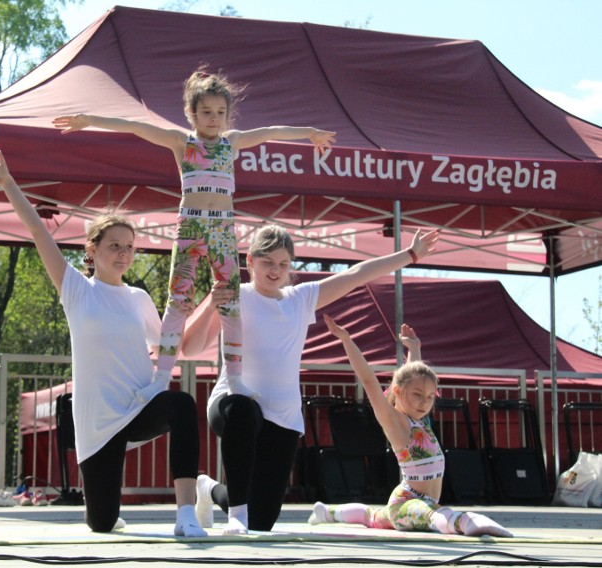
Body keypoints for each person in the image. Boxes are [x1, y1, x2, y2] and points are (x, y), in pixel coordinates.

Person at [52, 68, 336, 402]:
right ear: (191, 114)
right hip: (191, 226)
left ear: (228, 115)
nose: (214, 119)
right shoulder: (182, 142)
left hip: (221, 229)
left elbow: (270, 131)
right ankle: (161, 378)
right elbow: (136, 127)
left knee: (230, 304)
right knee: (177, 302)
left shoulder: (232, 142)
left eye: (220, 113)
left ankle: (235, 379)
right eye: (206, 112)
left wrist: (309, 133)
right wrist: (89, 119)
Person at [0, 149, 207, 536]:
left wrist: (209, 306)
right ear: (92, 250)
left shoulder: (139, 299)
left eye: (129, 247)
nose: (123, 253)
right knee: (101, 525)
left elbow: (175, 342)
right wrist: (8, 184)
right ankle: (108, 509)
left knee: (182, 404)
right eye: (115, 245)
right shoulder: (77, 290)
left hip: (138, 406)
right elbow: (37, 231)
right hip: (98, 423)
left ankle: (186, 513)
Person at [181, 224, 440, 534]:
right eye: (267, 262)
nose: (275, 270)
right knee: (242, 411)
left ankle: (208, 490)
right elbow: (189, 347)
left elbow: (356, 274)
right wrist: (210, 302)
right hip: (232, 405)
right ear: (249, 261)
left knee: (262, 520)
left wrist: (410, 255)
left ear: (291, 267)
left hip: (282, 416)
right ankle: (236, 514)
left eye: (283, 264)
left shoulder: (300, 298)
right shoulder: (234, 295)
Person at [309, 313, 513, 537]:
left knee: (372, 517)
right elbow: (368, 379)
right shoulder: (395, 422)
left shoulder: (421, 420)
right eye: (417, 395)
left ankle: (326, 512)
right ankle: (463, 521)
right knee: (428, 514)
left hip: (410, 502)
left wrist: (414, 348)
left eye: (429, 397)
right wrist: (346, 340)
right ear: (398, 391)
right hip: (408, 503)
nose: (424, 402)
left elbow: (414, 376)